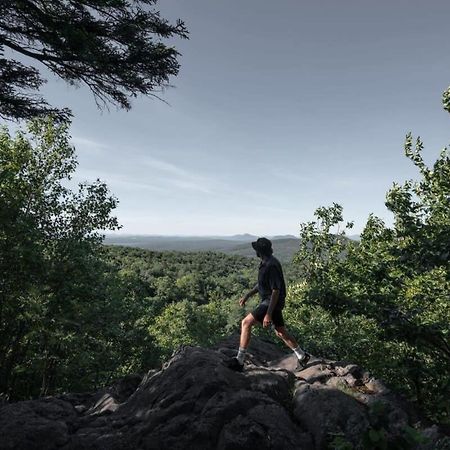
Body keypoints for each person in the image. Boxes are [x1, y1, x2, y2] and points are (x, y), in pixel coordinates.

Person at [227, 237, 310, 371]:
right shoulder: (266, 262)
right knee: (280, 331)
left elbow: (275, 290)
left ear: (260, 251)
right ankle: (302, 355)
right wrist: (247, 295)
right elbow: (261, 284)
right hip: (271, 301)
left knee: (246, 323)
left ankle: (239, 361)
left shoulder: (271, 265)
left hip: (271, 302)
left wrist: (268, 314)